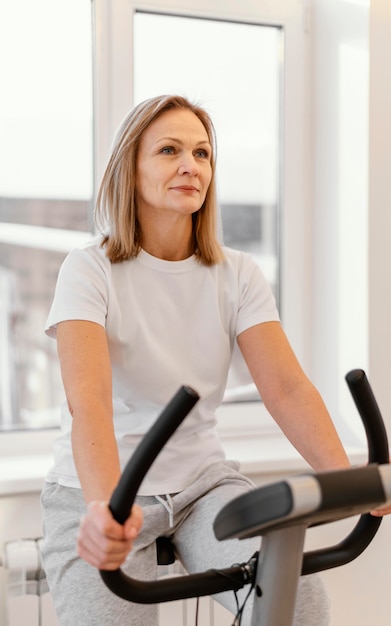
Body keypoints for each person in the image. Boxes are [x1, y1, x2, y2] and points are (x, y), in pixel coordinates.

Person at [40, 94, 388, 626]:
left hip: (202, 484)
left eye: (202, 153)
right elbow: (88, 400)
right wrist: (104, 511)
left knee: (299, 600)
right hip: (106, 490)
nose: (191, 165)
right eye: (169, 150)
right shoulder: (90, 270)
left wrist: (353, 482)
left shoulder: (237, 273)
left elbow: (286, 389)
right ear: (129, 171)